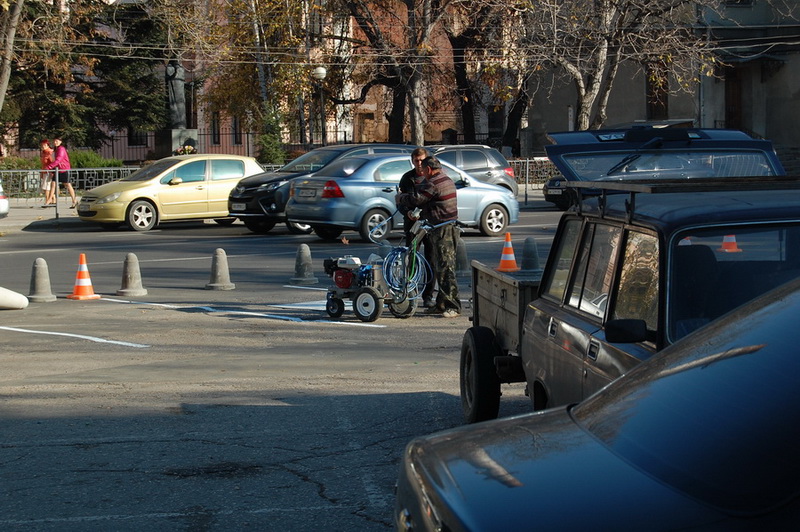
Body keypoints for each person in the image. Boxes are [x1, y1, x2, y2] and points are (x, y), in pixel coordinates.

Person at [396, 156, 461, 318]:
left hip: (442, 230)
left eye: (424, 170)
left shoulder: (433, 183)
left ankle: (453, 306)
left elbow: (417, 199)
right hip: (447, 227)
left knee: (446, 268)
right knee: (440, 268)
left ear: (429, 169)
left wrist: (400, 198)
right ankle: (441, 303)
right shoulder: (446, 179)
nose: (422, 173)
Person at [398, 147, 436, 307]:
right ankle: (409, 291)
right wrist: (407, 212)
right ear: (412, 161)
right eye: (416, 161)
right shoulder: (407, 178)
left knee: (431, 260)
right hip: (413, 225)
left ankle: (428, 296)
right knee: (411, 258)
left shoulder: (432, 177)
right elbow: (400, 200)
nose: (419, 164)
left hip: (430, 225)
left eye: (421, 160)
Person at [46, 138, 77, 208]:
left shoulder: (61, 149)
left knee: (68, 185)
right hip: (58, 169)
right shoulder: (56, 149)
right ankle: (49, 200)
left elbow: (59, 159)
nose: (55, 142)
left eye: (57, 141)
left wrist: (49, 167)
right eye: (54, 141)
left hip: (63, 169)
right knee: (53, 184)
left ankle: (74, 200)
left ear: (61, 142)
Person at [39, 139, 55, 206]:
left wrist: (52, 171)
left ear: (48, 145)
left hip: (49, 172)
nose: (43, 146)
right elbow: (43, 164)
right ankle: (53, 199)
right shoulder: (43, 152)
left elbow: (52, 162)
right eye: (42, 145)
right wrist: (41, 172)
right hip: (44, 171)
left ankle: (47, 201)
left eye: (45, 145)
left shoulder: (50, 152)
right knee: (46, 187)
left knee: (46, 187)